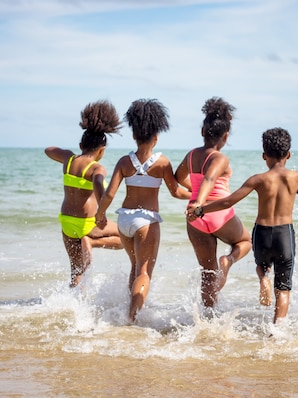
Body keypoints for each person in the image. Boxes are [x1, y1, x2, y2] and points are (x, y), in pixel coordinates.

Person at [187, 128, 298, 324]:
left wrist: (201, 210)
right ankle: (277, 328)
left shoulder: (257, 179)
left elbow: (228, 201)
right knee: (284, 287)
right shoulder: (296, 177)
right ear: (288, 155)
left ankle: (263, 277)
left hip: (262, 232)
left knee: (261, 265)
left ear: (264, 156)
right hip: (284, 234)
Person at [95, 99, 190, 323]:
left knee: (136, 267)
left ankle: (128, 309)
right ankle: (131, 318)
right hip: (146, 221)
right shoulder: (162, 163)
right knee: (144, 273)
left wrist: (100, 215)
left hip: (124, 221)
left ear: (134, 136)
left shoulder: (124, 162)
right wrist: (196, 196)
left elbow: (109, 193)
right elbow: (176, 191)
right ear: (156, 136)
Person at [174, 97, 252, 308]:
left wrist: (194, 196)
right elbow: (209, 178)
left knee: (207, 274)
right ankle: (228, 261)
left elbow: (178, 177)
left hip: (195, 219)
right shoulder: (220, 158)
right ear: (225, 136)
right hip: (216, 213)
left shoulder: (191, 155)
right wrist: (200, 203)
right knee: (245, 242)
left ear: (202, 131)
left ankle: (208, 318)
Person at [45, 100, 124, 288]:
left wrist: (68, 154)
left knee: (76, 270)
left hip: (66, 221)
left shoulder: (69, 160)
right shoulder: (97, 167)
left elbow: (48, 150)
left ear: (81, 144)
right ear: (102, 150)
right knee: (125, 237)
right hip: (86, 224)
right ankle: (91, 242)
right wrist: (102, 212)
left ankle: (73, 307)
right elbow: (98, 182)